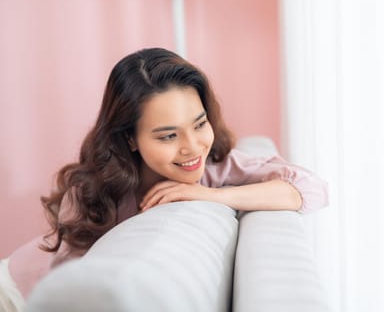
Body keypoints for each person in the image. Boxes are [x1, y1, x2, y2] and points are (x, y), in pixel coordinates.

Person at [0, 48, 328, 311]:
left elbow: (311, 189)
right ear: (130, 138)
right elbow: (68, 288)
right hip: (17, 292)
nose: (192, 147)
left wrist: (212, 195)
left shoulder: (216, 166)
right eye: (168, 135)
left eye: (200, 124)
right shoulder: (92, 188)